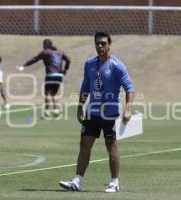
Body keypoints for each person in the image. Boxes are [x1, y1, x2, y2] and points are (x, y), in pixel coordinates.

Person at [59, 32, 134, 193]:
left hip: (111, 113)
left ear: (109, 44)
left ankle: (114, 183)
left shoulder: (117, 65)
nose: (100, 46)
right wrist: (80, 106)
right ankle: (77, 181)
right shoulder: (89, 64)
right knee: (84, 143)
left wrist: (128, 109)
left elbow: (129, 88)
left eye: (103, 43)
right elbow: (86, 85)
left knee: (111, 145)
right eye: (97, 43)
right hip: (92, 112)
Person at [16, 39, 70, 117]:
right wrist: (65, 70)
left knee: (47, 93)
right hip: (59, 75)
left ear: (46, 45)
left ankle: (47, 111)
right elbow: (68, 59)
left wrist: (24, 66)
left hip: (50, 75)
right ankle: (56, 110)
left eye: (43, 45)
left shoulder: (45, 52)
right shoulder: (60, 52)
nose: (43, 47)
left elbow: (34, 59)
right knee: (53, 93)